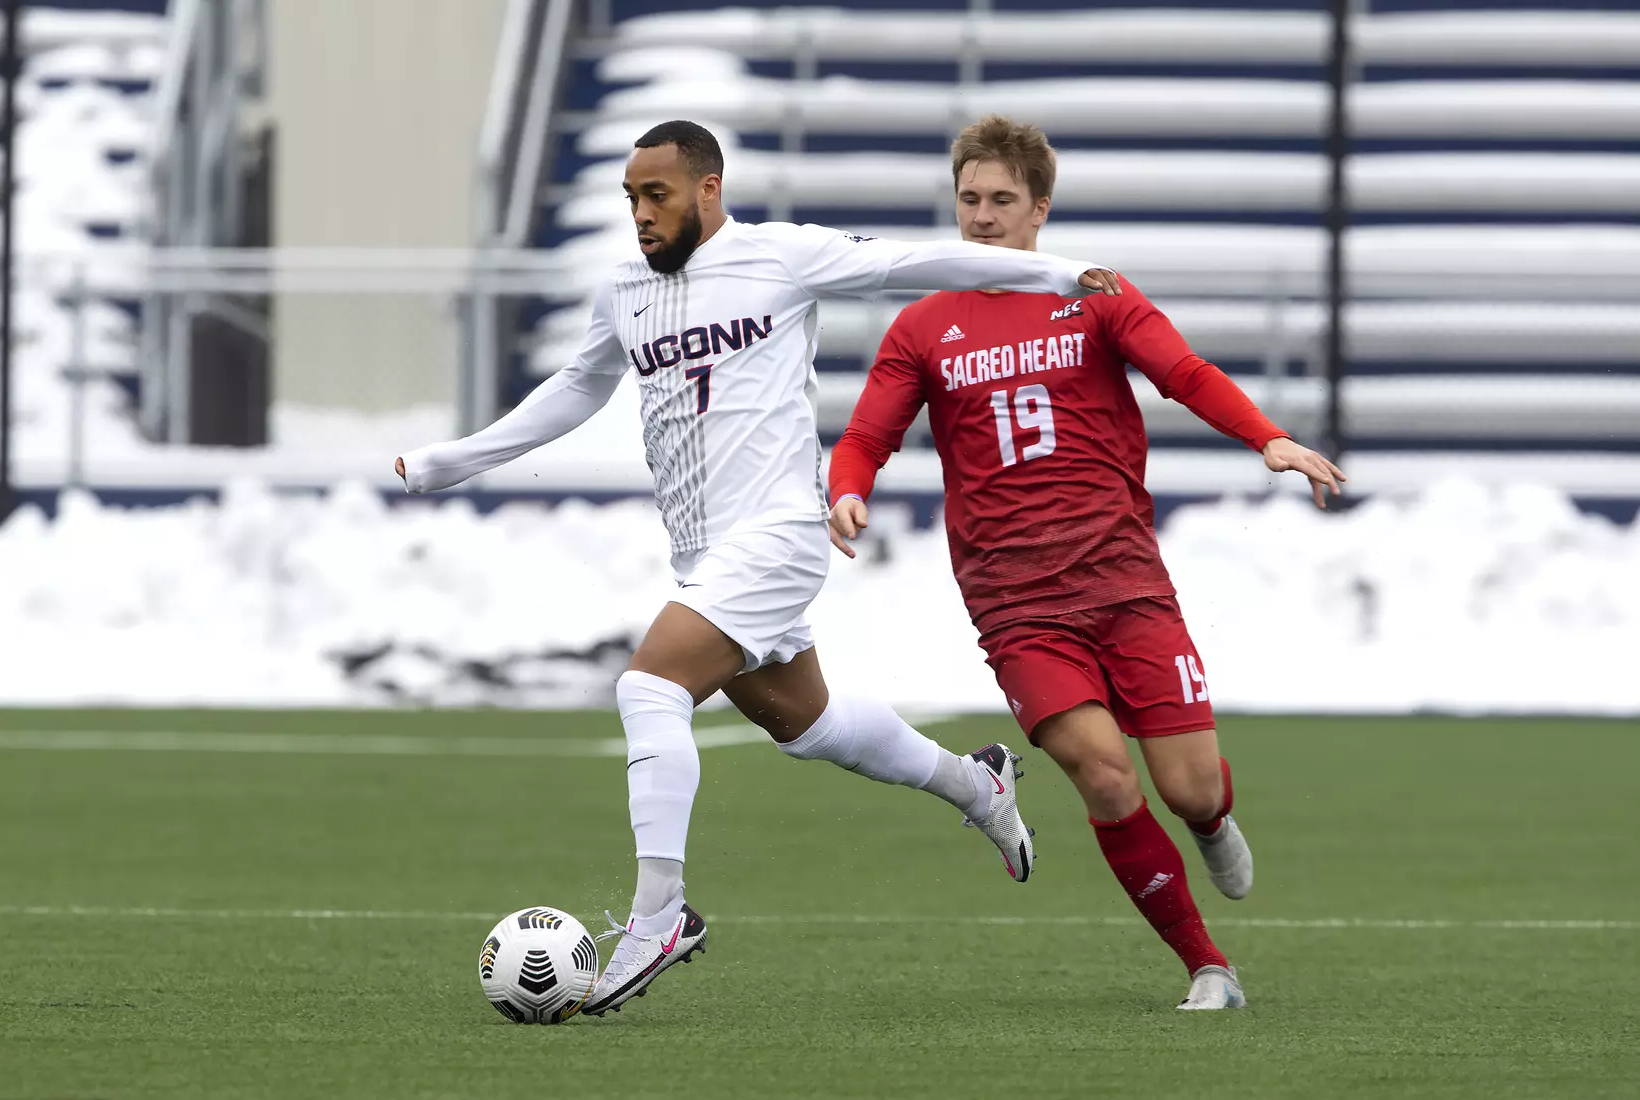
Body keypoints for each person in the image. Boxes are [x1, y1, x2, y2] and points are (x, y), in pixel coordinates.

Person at [394, 120, 1126, 1015]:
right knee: (808, 725)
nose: (640, 214)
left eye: (655, 194)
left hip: (777, 536)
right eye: (629, 198)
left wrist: (1054, 274)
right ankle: (978, 783)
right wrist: (454, 460)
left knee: (649, 688)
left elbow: (919, 262)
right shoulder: (624, 288)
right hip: (706, 554)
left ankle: (659, 914)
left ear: (708, 189)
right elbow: (578, 388)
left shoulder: (782, 257)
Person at [826, 115, 1347, 1011]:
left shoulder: (1094, 293)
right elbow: (870, 431)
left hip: (1122, 576)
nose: (982, 217)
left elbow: (1183, 371)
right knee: (1105, 776)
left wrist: (1269, 438)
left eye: (1001, 201)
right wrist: (848, 485)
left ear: (1040, 209)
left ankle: (1212, 819)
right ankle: (1207, 966)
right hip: (1012, 595)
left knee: (1187, 786)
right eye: (969, 199)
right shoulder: (923, 325)